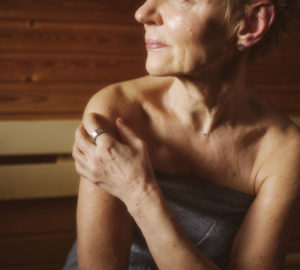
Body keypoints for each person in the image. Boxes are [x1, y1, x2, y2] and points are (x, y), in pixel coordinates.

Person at [63, 0, 300, 269]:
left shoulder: (283, 150)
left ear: (250, 23)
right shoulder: (118, 110)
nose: (142, 13)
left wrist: (140, 193)